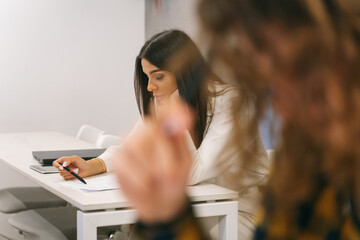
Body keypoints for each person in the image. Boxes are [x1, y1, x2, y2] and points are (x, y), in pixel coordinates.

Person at [114, 0, 360, 239]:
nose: (281, 105)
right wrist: (168, 217)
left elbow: (194, 171)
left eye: (301, 69)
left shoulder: (228, 101)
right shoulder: (304, 163)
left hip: (236, 212)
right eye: (269, 84)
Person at [53, 29, 268, 238]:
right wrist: (93, 165)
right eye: (147, 77)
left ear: (185, 74)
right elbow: (130, 149)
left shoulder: (234, 104)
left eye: (158, 77)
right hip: (202, 207)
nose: (149, 87)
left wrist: (175, 115)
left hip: (242, 213)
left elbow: (193, 173)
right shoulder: (166, 102)